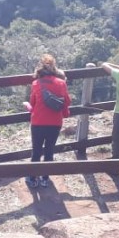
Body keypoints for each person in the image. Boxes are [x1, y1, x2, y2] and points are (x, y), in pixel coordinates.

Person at [26, 54, 71, 189]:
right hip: (55, 123)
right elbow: (67, 102)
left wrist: (26, 105)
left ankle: (33, 179)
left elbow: (32, 104)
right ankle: (45, 179)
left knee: (36, 151)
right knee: (49, 150)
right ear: (54, 69)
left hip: (38, 122)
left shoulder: (35, 84)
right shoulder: (62, 83)